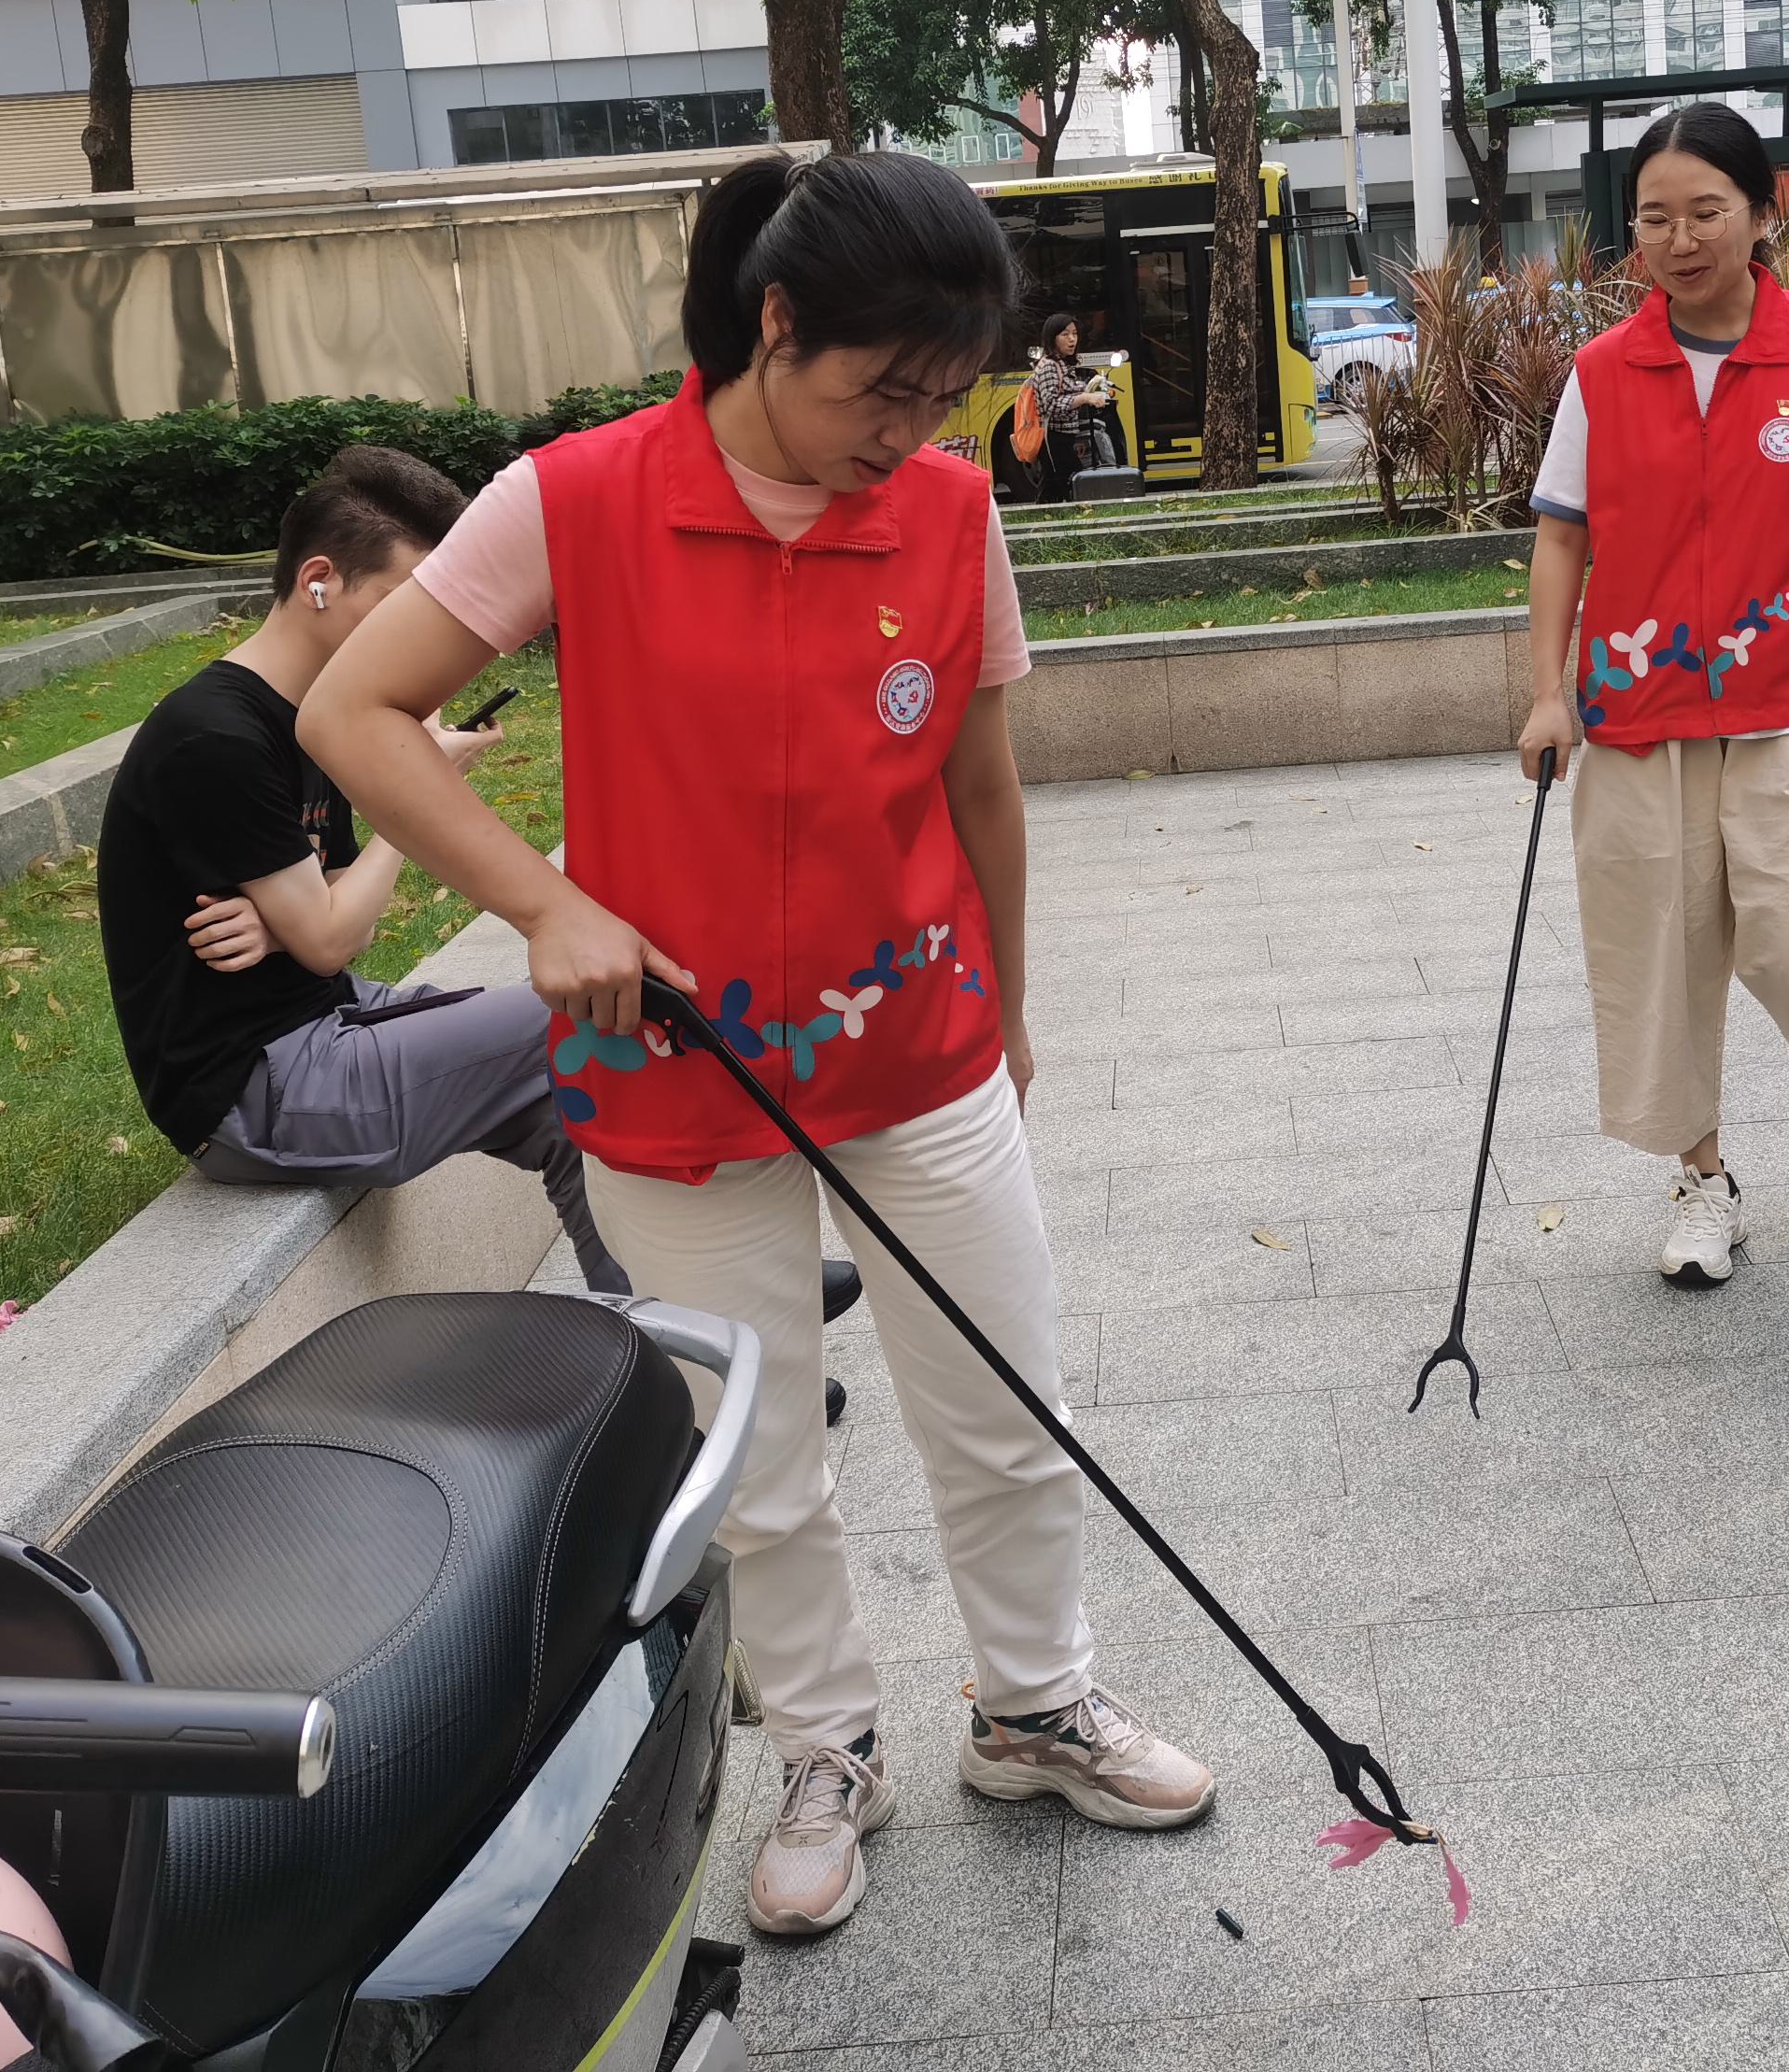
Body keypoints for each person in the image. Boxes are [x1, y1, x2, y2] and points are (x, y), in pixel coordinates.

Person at [299, 149, 1214, 1943]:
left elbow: (980, 783)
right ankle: (824, 1751)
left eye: (944, 397)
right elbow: (352, 707)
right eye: (882, 389)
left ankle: (1033, 1707)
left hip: (918, 1048)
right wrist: (543, 903)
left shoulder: (948, 510)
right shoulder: (573, 499)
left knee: (1006, 1402)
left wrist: (1011, 1003)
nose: (909, 433)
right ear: (776, 322)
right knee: (759, 1446)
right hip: (678, 1071)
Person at [1517, 102, 1789, 1285]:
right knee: (1658, 960)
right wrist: (1548, 693)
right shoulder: (1603, 372)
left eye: (1706, 211)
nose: (1681, 239)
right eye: (1656, 218)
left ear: (1759, 215)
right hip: (1640, 716)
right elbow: (1561, 537)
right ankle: (1702, 1181)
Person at [95, 446, 629, 1299]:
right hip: (255, 1093)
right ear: (318, 581)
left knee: (576, 1100)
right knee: (575, 1013)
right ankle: (691, 1307)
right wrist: (411, 792)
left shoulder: (310, 719)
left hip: (324, 1022)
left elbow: (344, 922)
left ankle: (670, 1310)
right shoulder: (216, 738)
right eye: (400, 602)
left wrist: (294, 917)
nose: (420, 632)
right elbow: (331, 938)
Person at [1019, 314, 1118, 500]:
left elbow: (1065, 392)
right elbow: (1050, 406)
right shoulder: (1049, 366)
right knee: (1066, 485)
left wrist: (1090, 388)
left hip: (1062, 437)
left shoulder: (1060, 363)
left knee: (1056, 487)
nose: (1072, 339)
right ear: (1052, 338)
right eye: (1065, 335)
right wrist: (1084, 397)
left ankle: (1055, 514)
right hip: (1053, 438)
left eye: (1075, 334)